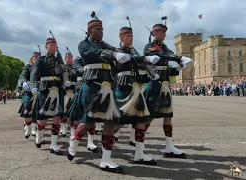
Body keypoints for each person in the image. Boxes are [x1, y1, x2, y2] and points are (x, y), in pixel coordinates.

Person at [67, 12, 133, 173]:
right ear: (90, 31)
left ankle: (106, 160)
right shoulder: (84, 45)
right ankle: (75, 140)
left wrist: (128, 54)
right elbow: (91, 54)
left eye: (102, 29)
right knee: (89, 123)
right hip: (91, 87)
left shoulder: (105, 45)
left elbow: (116, 55)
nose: (101, 31)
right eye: (98, 29)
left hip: (106, 87)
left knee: (109, 122)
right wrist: (112, 54)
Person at [143, 23, 193, 159]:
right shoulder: (150, 47)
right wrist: (178, 58)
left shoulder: (164, 47)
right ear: (155, 33)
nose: (165, 34)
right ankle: (138, 147)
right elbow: (161, 55)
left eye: (165, 32)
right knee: (149, 116)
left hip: (165, 84)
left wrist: (178, 68)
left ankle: (169, 146)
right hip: (154, 84)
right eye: (162, 32)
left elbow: (167, 62)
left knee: (168, 116)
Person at [113, 26, 160, 165]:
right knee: (117, 123)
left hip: (136, 90)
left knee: (140, 121)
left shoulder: (133, 53)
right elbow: (124, 63)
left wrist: (149, 76)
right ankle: (106, 150)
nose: (130, 38)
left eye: (131, 35)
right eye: (127, 36)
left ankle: (139, 154)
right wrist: (143, 59)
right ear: (121, 38)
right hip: (123, 89)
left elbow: (138, 73)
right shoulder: (118, 52)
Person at [31, 38, 71, 155]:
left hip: (57, 89)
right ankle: (39, 135)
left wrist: (66, 80)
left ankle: (54, 145)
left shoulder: (58, 59)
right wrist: (33, 84)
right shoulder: (41, 59)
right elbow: (34, 73)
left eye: (55, 45)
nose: (54, 47)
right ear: (46, 47)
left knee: (57, 117)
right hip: (45, 89)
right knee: (43, 119)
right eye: (51, 45)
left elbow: (63, 72)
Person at [20, 52, 40, 139]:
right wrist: (24, 82)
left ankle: (34, 129)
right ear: (32, 59)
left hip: (40, 89)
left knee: (38, 110)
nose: (37, 60)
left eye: (38, 58)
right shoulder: (27, 67)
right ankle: (28, 126)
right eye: (35, 58)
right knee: (27, 107)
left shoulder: (42, 68)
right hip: (28, 90)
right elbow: (23, 76)